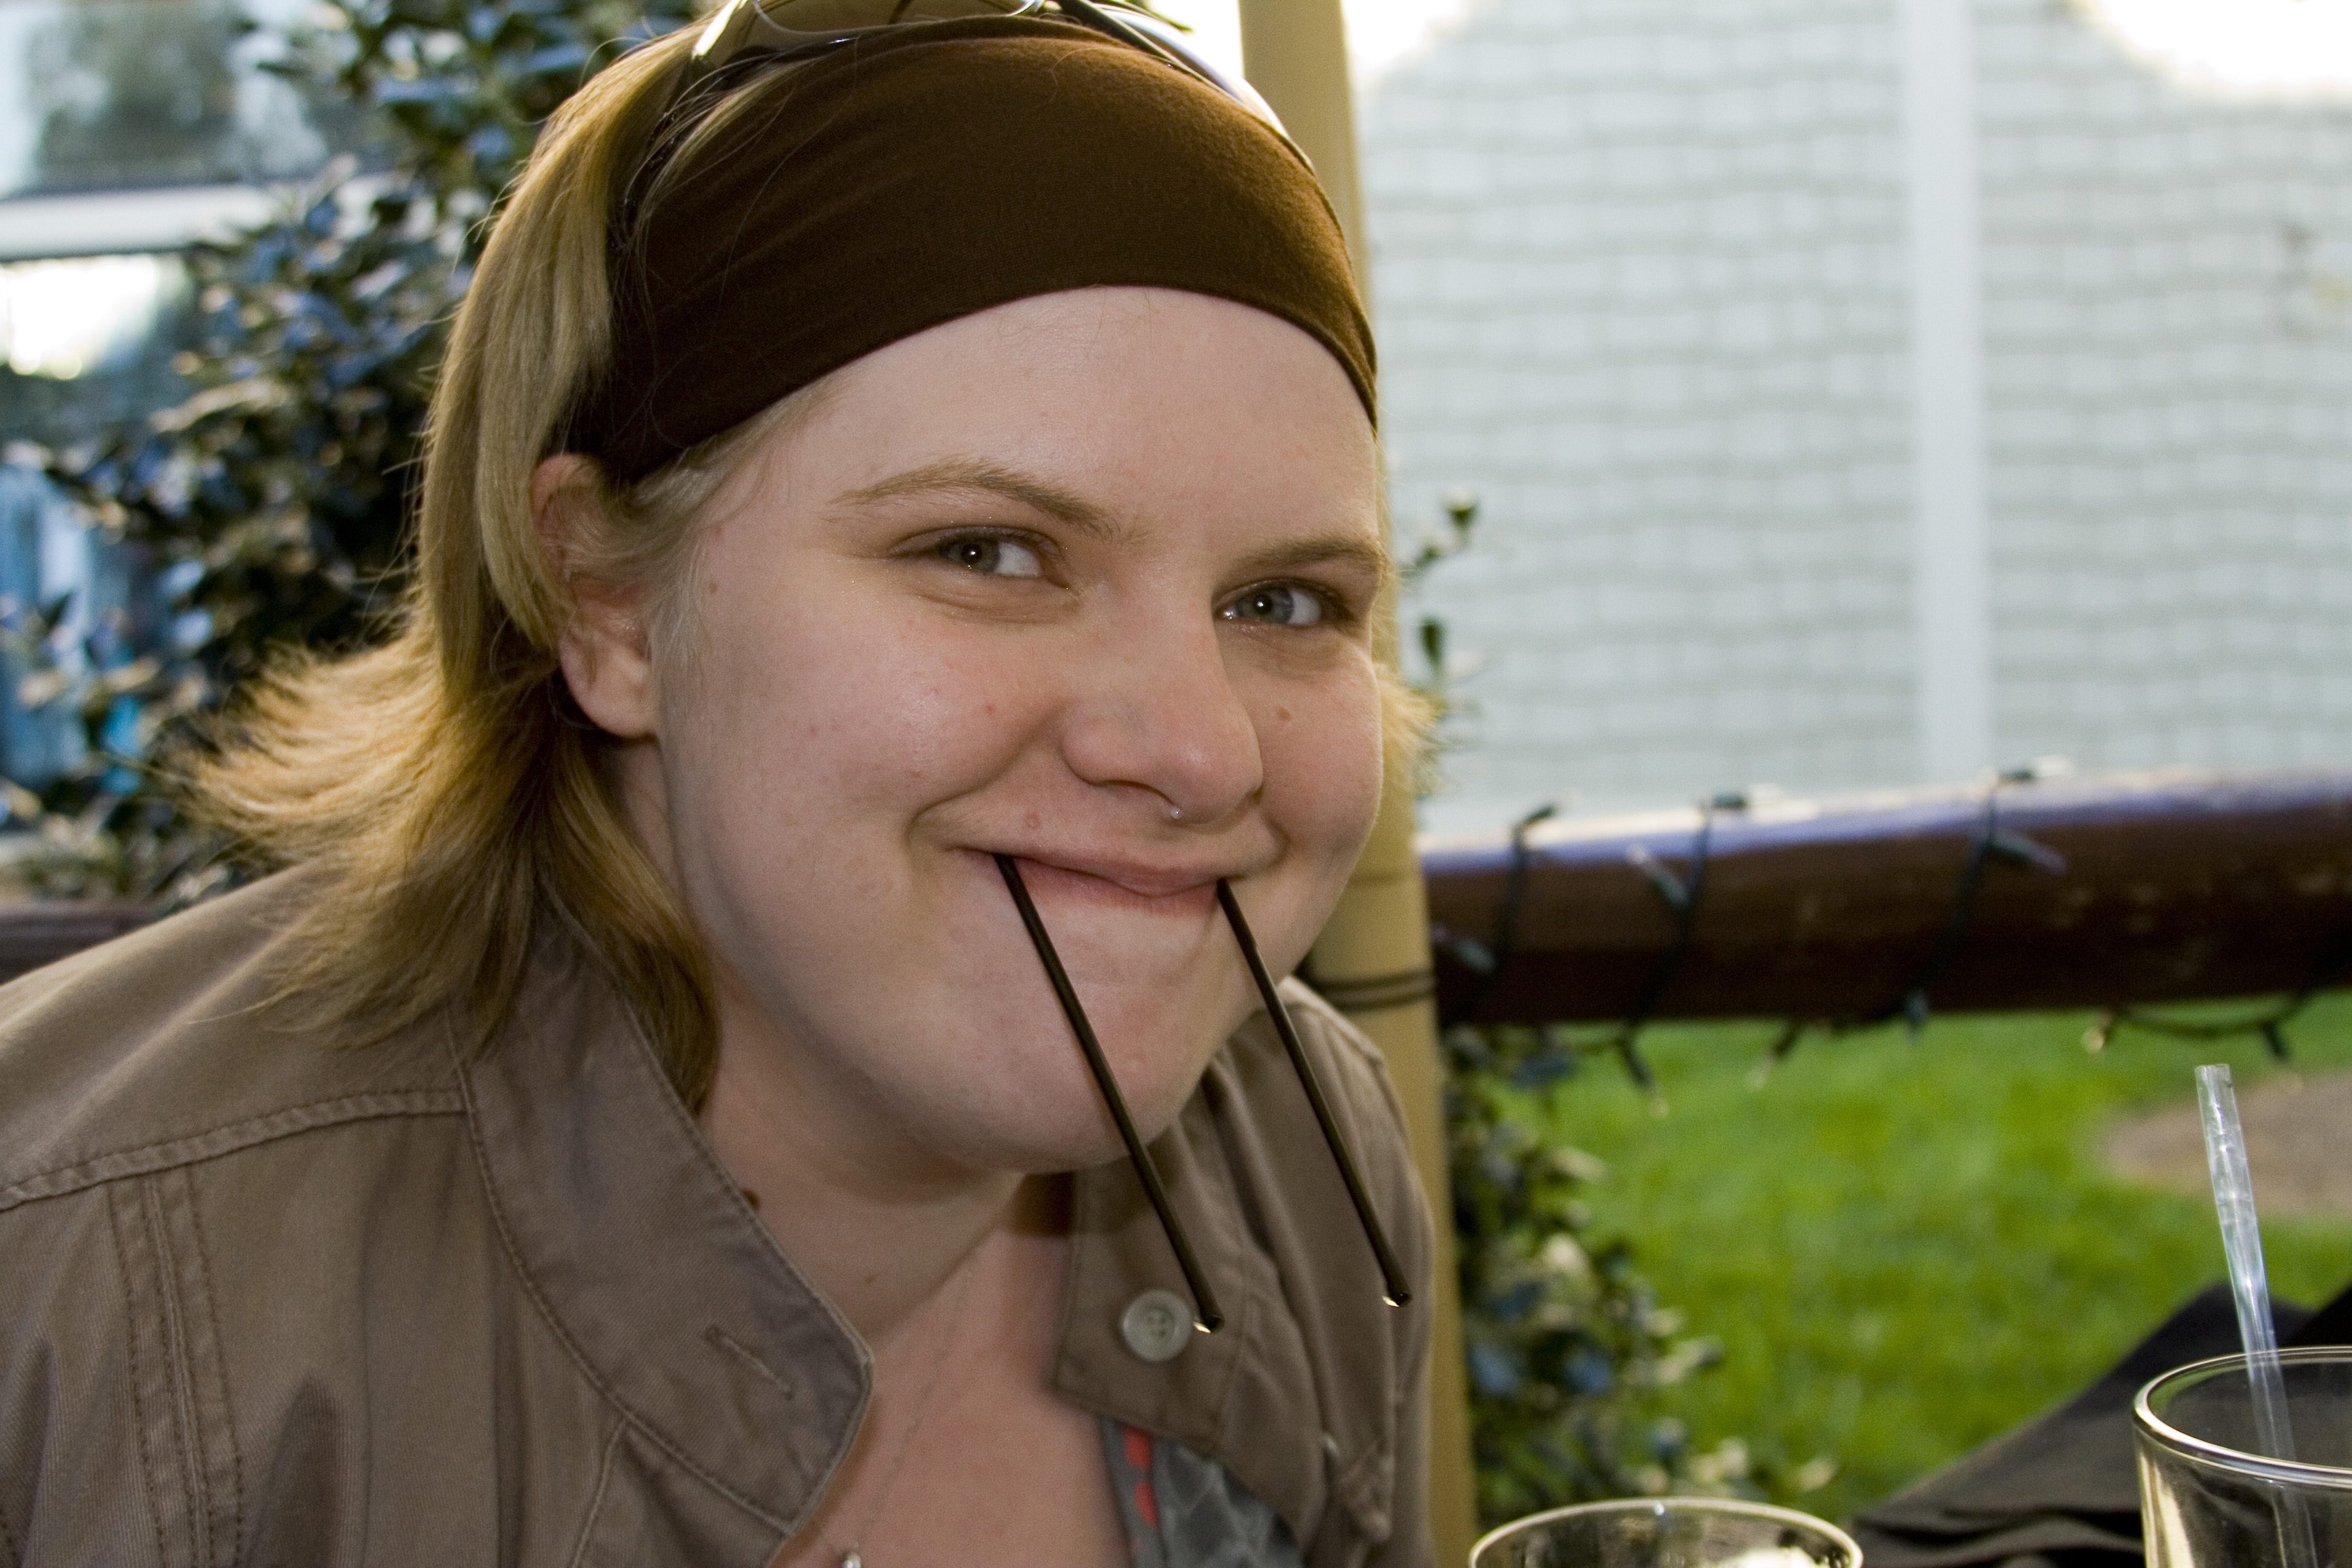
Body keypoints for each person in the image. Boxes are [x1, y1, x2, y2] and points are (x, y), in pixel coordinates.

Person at [0, 2, 1436, 1563]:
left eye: (1284, 601)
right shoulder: (77, 1298)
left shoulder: (1297, 1159)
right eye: (986, 553)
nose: (1203, 751)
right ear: (608, 605)